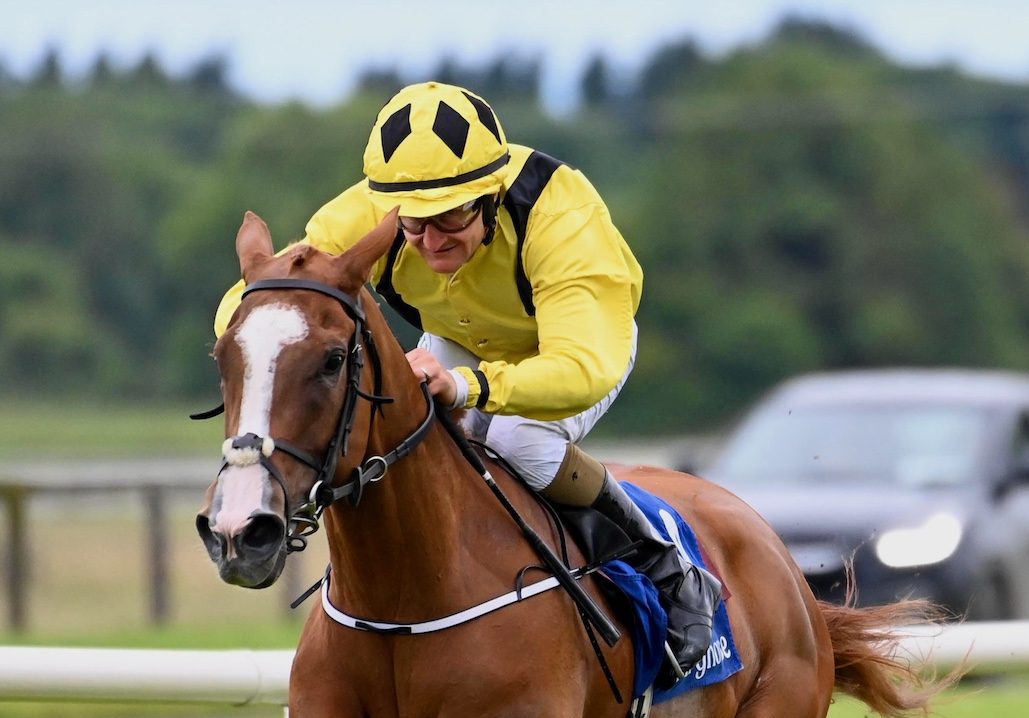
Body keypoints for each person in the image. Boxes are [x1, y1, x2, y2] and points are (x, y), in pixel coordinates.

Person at [216, 81, 720, 678]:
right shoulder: (364, 211)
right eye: (414, 225)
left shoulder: (563, 216)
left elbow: (583, 368)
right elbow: (264, 303)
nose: (431, 241)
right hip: (459, 339)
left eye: (451, 215)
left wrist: (471, 388)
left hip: (568, 348)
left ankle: (664, 563)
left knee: (516, 441)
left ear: (491, 193)